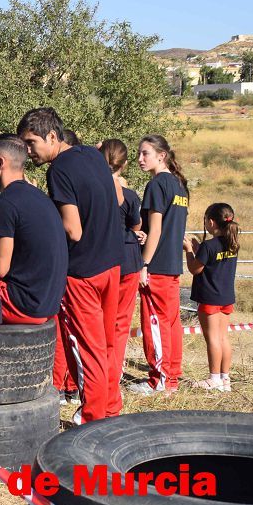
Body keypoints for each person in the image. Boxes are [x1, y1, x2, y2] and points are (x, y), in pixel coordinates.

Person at [19, 107, 121, 425]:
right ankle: (110, 409)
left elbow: (73, 229)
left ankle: (92, 419)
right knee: (106, 344)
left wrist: (41, 208)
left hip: (83, 273)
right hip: (112, 263)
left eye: (31, 142)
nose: (28, 150)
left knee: (87, 349)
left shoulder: (58, 170)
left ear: (52, 136)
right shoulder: (91, 155)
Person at [0, 135, 67, 325]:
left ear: (0, 162)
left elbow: (0, 268)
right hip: (50, 303)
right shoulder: (39, 197)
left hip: (23, 304)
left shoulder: (5, 203)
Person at [129, 134, 189, 395]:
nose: (140, 159)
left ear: (161, 156)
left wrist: (144, 263)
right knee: (172, 322)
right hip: (173, 264)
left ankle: (160, 380)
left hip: (157, 265)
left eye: (145, 153)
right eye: (139, 154)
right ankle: (172, 375)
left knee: (155, 323)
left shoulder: (157, 185)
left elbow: (155, 231)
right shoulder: (180, 185)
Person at [99, 139, 141, 402]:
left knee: (100, 326)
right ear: (124, 164)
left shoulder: (92, 191)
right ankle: (111, 383)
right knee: (119, 327)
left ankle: (100, 380)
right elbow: (136, 227)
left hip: (102, 259)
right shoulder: (131, 196)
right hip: (128, 260)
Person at [185, 203, 238, 392]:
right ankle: (225, 379)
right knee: (223, 337)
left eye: (205, 220)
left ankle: (213, 378)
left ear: (211, 222)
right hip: (226, 297)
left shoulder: (209, 245)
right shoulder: (232, 242)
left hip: (209, 298)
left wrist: (189, 251)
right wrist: (200, 249)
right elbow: (212, 259)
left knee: (212, 339)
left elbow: (195, 269)